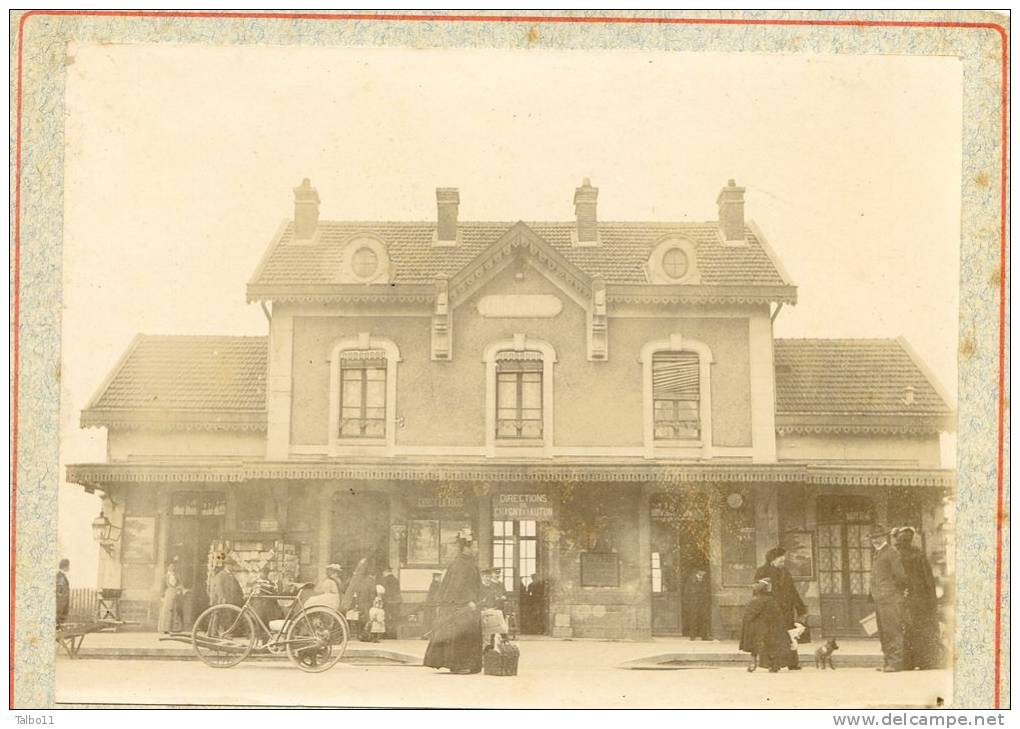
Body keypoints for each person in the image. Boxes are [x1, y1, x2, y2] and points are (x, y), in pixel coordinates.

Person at [423, 529, 483, 674]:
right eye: (475, 546)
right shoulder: (461, 564)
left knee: (468, 634)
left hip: (466, 604)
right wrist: (468, 600)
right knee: (461, 634)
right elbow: (457, 586)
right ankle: (459, 665)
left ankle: (469, 664)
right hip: (460, 605)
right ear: (467, 548)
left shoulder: (467, 562)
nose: (477, 549)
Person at [894, 526, 941, 669]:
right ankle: (925, 662)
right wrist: (932, 600)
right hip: (921, 599)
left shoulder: (898, 556)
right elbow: (928, 580)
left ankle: (908, 662)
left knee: (908, 629)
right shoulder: (919, 555)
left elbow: (896, 579)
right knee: (923, 629)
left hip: (906, 598)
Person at [754, 547, 807, 669]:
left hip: (786, 609)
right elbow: (757, 591)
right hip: (770, 610)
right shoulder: (762, 571)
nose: (783, 563)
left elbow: (793, 591)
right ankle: (771, 663)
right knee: (772, 637)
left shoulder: (785, 572)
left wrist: (801, 608)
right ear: (773, 560)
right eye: (780, 561)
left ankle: (791, 663)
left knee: (790, 634)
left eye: (783, 561)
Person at [869, 525, 908, 672]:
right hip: (880, 599)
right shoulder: (878, 553)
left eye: (878, 537)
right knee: (884, 631)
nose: (875, 540)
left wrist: (894, 593)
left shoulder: (891, 552)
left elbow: (901, 576)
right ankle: (887, 661)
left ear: (884, 537)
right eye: (873, 538)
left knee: (892, 630)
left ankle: (895, 662)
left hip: (890, 599)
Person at [739, 579, 789, 672]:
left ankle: (753, 664)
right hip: (769, 629)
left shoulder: (753, 601)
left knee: (755, 648)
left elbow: (748, 616)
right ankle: (773, 665)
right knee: (771, 646)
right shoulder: (771, 601)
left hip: (756, 630)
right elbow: (778, 615)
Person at [681, 567, 711, 640]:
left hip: (703, 603)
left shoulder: (704, 579)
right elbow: (687, 592)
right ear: (699, 571)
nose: (704, 574)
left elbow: (707, 590)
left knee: (704, 619)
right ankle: (692, 636)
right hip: (693, 602)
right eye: (703, 572)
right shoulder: (691, 579)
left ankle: (704, 636)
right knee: (693, 619)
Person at [157, 556, 184, 634]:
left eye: (173, 566)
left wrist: (179, 589)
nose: (172, 568)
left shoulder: (177, 576)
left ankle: (175, 628)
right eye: (170, 566)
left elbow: (180, 584)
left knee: (175, 610)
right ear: (167, 567)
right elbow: (162, 588)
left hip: (176, 594)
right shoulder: (165, 577)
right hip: (168, 594)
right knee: (167, 611)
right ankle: (166, 628)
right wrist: (162, 597)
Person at [379, 566, 402, 639]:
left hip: (387, 602)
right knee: (394, 618)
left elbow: (384, 592)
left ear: (386, 571)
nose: (383, 573)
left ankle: (386, 634)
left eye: (383, 572)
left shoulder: (384, 580)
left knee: (386, 618)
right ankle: (394, 635)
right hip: (396, 602)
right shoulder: (396, 580)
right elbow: (398, 591)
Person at [422, 571, 443, 639]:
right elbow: (436, 596)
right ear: (436, 577)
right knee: (432, 620)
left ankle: (427, 635)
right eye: (439, 577)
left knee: (428, 620)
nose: (440, 578)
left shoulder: (433, 584)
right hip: (432, 605)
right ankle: (429, 635)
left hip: (430, 605)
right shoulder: (436, 584)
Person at [55, 559, 71, 627]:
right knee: (58, 620)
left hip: (63, 602)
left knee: (60, 622)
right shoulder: (60, 576)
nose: (69, 568)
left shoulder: (62, 576)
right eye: (68, 566)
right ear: (65, 567)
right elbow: (59, 591)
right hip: (61, 603)